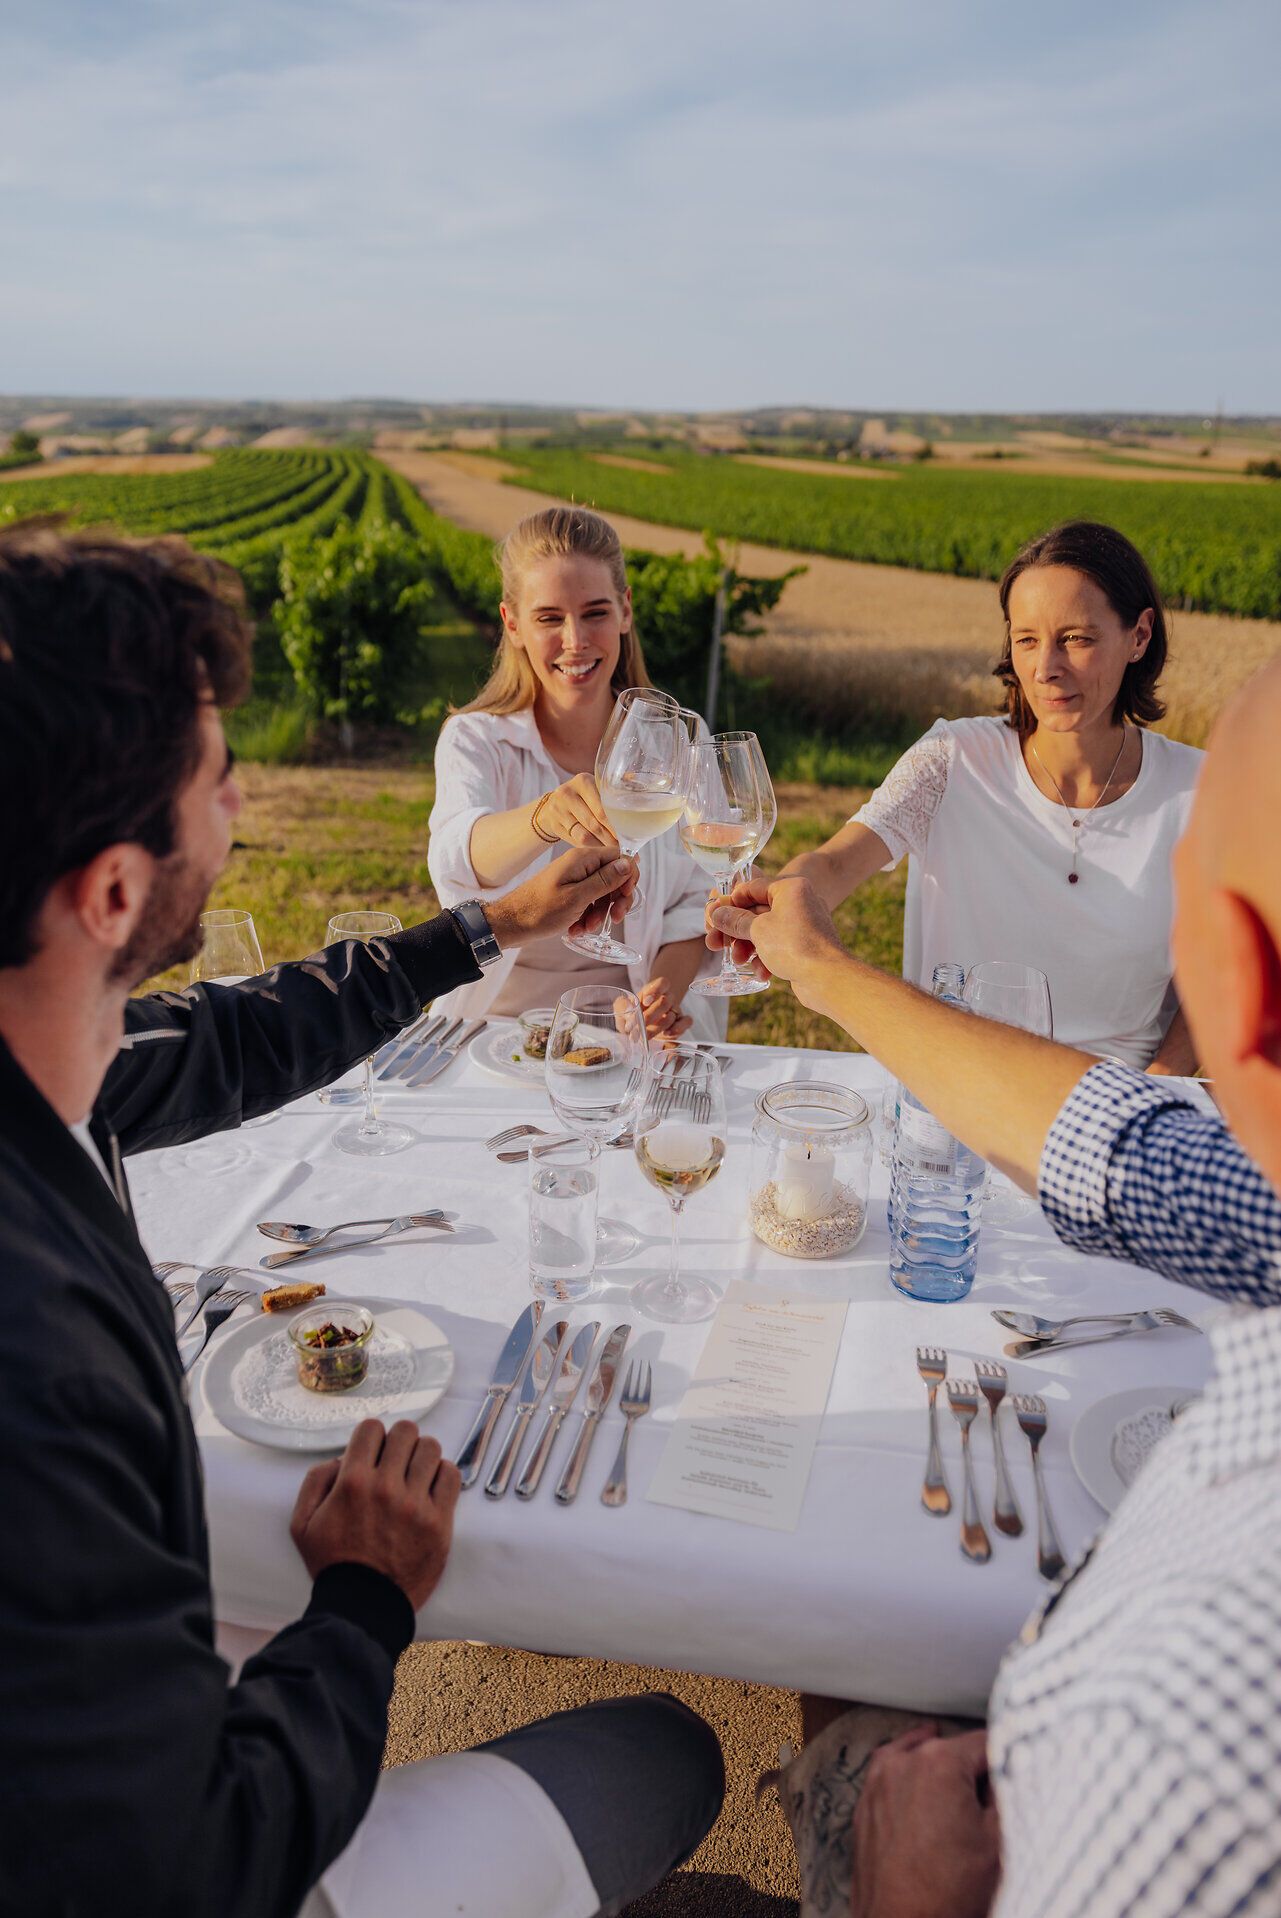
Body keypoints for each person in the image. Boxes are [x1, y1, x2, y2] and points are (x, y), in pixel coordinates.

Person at [0, 523, 724, 1918]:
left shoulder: (58, 1061)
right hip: (212, 1867)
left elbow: (241, 1033)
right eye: (216, 779)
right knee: (668, 1752)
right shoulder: (38, 1351)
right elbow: (199, 1860)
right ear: (114, 891)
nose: (242, 802)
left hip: (106, 1725)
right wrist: (365, 1600)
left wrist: (482, 929)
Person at [706, 653, 1281, 1916]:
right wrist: (821, 966)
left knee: (838, 1598)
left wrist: (909, 1896)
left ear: (1228, 971)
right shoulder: (1257, 1206)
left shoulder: (1200, 1743)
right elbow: (1113, 1145)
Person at [734, 521, 1202, 1071]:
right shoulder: (952, 758)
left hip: (1120, 1099)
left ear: (1139, 636)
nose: (1046, 669)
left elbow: (1226, 978)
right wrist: (777, 897)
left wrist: (1155, 1089)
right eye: (1027, 639)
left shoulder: (1201, 791)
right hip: (955, 1089)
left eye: (1076, 639)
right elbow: (836, 863)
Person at [428, 505, 723, 1044]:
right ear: (512, 624)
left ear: (625, 611)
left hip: (631, 1041)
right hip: (494, 1034)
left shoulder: (681, 740)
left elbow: (701, 897)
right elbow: (456, 857)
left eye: (595, 613)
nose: (575, 640)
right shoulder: (475, 739)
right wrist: (542, 819)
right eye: (548, 618)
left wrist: (662, 995)